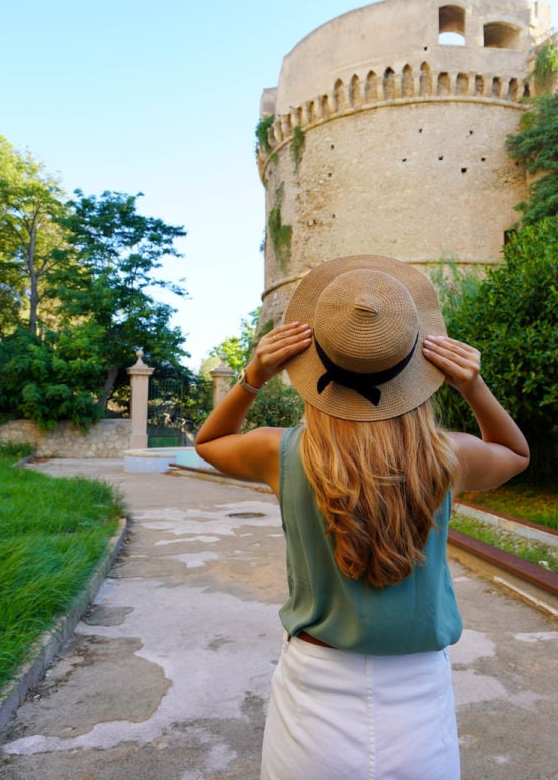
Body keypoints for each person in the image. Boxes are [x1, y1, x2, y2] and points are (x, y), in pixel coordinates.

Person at [195, 254, 530, 779]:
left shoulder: (281, 453)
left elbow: (210, 441)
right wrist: (472, 385)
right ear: (418, 369)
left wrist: (253, 376)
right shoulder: (448, 457)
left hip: (313, 689)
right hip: (419, 694)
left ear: (313, 364)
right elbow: (515, 453)